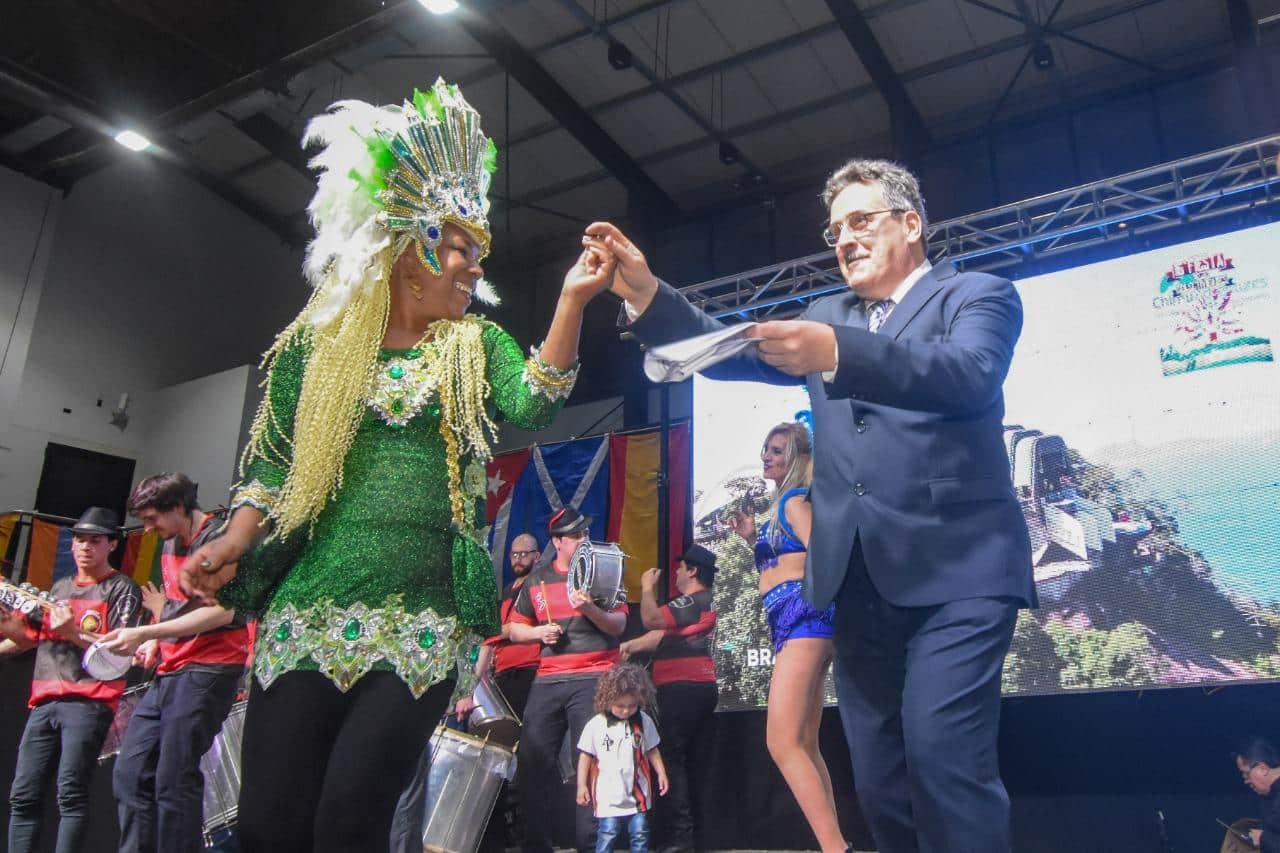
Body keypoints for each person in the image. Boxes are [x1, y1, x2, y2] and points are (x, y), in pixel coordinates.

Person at [178, 78, 615, 853]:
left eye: (478, 253)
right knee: (270, 827)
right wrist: (234, 540)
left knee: (349, 822)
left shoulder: (475, 344)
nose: (474, 268)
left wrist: (572, 301)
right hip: (307, 610)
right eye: (462, 249)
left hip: (422, 616)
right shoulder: (317, 348)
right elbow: (272, 466)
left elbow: (537, 399)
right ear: (412, 244)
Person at [585, 156, 1036, 853]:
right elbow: (734, 349)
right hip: (856, 587)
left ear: (911, 223)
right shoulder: (828, 314)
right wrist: (646, 293)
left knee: (945, 760)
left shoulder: (978, 295)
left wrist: (838, 352)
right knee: (880, 782)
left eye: (861, 221)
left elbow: (967, 374)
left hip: (960, 576)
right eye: (835, 231)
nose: (845, 239)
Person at [105, 472, 250, 853]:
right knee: (130, 773)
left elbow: (223, 612)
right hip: (171, 670)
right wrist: (156, 641)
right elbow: (179, 607)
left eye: (152, 518)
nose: (148, 529)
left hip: (209, 669)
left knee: (174, 780)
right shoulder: (171, 543)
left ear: (180, 507)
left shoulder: (217, 540)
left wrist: (145, 633)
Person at [725, 422, 845, 853]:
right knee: (804, 744)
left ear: (796, 458)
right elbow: (784, 560)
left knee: (781, 741)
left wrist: (814, 605)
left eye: (777, 450)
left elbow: (825, 554)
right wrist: (751, 539)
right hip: (793, 623)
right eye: (766, 449)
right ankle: (836, 844)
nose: (767, 456)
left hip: (803, 620)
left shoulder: (794, 501)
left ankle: (836, 848)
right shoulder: (782, 506)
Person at [0, 507, 142, 853]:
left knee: (71, 793)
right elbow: (27, 639)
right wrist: (8, 625)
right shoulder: (60, 587)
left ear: (112, 544)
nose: (85, 547)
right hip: (44, 698)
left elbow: (120, 652)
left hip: (88, 701)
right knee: (23, 795)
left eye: (95, 540)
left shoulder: (122, 588)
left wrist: (72, 633)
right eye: (80, 539)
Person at [508, 507, 629, 853]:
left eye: (585, 533)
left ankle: (591, 845)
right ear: (558, 542)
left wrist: (589, 608)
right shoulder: (537, 580)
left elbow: (619, 625)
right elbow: (513, 629)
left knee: (590, 762)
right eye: (575, 535)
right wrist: (538, 633)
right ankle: (536, 845)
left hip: (594, 675)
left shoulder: (604, 571)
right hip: (549, 679)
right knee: (532, 761)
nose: (583, 539)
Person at [620, 544, 718, 853]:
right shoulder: (699, 605)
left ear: (693, 571)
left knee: (671, 760)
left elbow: (651, 619)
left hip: (681, 688)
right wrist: (630, 646)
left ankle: (681, 839)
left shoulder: (693, 600)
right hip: (699, 687)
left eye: (680, 567)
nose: (675, 572)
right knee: (692, 760)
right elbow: (660, 635)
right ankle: (696, 837)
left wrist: (646, 588)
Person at [454, 531, 542, 853]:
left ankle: (526, 836)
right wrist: (470, 686)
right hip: (501, 678)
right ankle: (496, 836)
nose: (518, 560)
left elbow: (526, 631)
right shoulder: (506, 592)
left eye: (524, 554)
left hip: (529, 673)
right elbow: (491, 640)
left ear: (537, 555)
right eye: (514, 555)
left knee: (523, 753)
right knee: (495, 754)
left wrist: (506, 631)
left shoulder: (539, 586)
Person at [576, 663, 669, 853]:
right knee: (608, 832)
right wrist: (581, 785)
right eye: (620, 706)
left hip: (637, 791)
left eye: (631, 706)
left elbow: (652, 750)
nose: (626, 711)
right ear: (607, 699)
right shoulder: (596, 724)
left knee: (640, 831)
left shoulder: (644, 721)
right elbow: (585, 755)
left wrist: (661, 773)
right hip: (607, 793)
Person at [1231, 737, 1280, 851]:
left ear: (1263, 769)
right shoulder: (1270, 797)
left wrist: (1264, 838)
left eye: (1246, 773)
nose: (1246, 781)